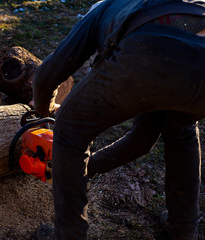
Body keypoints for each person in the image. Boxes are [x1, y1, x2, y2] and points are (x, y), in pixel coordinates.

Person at [32, 0, 205, 239]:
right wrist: (86, 168)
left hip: (152, 45)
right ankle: (183, 228)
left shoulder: (100, 11)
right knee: (182, 131)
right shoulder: (148, 7)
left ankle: (69, 235)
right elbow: (141, 141)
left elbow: (47, 75)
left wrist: (43, 112)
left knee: (70, 131)